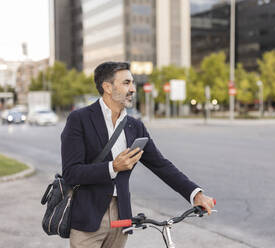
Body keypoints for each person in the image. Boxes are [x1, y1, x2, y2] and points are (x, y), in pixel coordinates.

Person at [61, 62, 215, 248]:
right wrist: (113, 167)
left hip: (121, 217)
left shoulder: (135, 126)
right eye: (126, 83)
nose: (133, 89)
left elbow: (160, 164)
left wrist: (195, 194)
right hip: (88, 218)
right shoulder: (80, 119)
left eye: (132, 83)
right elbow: (71, 172)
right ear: (107, 87)